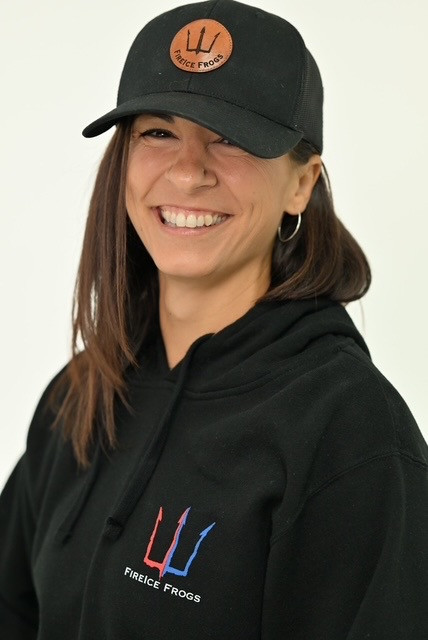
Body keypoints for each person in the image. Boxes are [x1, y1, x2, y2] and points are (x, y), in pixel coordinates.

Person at [1, 0, 427, 638]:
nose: (187, 171)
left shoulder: (351, 434)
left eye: (230, 138)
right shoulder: (81, 396)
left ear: (301, 184)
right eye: (158, 132)